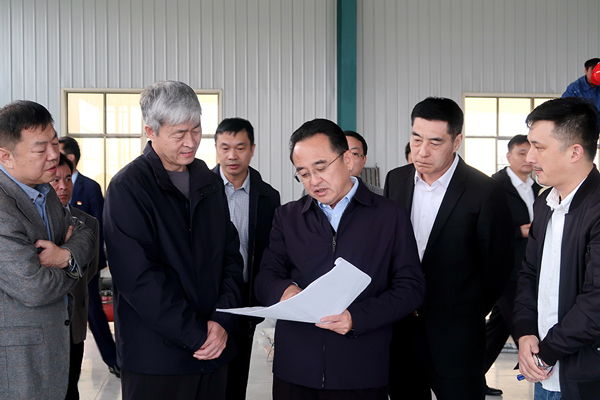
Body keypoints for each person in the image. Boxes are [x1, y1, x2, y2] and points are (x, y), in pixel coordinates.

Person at [254, 118, 426, 400]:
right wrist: (285, 292)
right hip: (295, 370)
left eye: (321, 168)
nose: (314, 181)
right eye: (304, 174)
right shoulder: (288, 217)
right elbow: (265, 277)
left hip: (361, 369)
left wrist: (356, 318)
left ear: (347, 159)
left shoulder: (389, 216)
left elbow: (411, 288)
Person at [103, 80, 244, 400]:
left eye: (196, 129)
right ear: (150, 131)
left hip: (214, 351)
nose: (191, 142)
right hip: (157, 359)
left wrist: (223, 320)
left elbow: (230, 256)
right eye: (179, 133)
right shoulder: (129, 188)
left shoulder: (208, 181)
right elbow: (138, 279)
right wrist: (196, 334)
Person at [384, 97, 514, 400]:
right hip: (400, 329)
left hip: (456, 335)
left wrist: (465, 310)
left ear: (456, 141)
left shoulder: (484, 191)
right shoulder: (396, 180)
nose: (422, 151)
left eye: (435, 142)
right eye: (416, 139)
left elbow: (497, 267)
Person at [0, 100, 94, 399]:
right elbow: (34, 288)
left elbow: (85, 233)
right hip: (18, 365)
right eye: (41, 149)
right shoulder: (3, 207)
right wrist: (74, 268)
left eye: (55, 143)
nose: (55, 155)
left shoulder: (44, 190)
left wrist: (64, 255)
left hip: (57, 348)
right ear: (6, 156)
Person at [513, 97, 600, 400]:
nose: (530, 158)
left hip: (584, 376)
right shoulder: (545, 203)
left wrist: (547, 352)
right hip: (544, 375)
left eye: (539, 147)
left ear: (575, 152)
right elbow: (529, 273)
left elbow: (596, 300)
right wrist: (525, 331)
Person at [212, 117, 281, 400]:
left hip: (245, 296)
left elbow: (270, 251)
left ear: (252, 149)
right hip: (209, 294)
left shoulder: (268, 197)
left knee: (237, 375)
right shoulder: (200, 190)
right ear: (216, 149)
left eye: (240, 148)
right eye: (225, 147)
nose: (232, 155)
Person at [483, 135, 542, 396]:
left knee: (498, 327)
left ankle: (472, 376)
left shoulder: (539, 186)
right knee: (521, 322)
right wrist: (519, 231)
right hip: (505, 268)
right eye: (521, 153)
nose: (528, 158)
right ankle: (538, 368)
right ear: (508, 157)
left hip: (529, 266)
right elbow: (485, 228)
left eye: (531, 151)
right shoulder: (495, 186)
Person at [59, 136, 120, 377]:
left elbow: (101, 225)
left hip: (88, 264)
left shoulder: (89, 187)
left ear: (71, 158)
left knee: (92, 310)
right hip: (61, 270)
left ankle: (113, 358)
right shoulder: (46, 191)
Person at [50, 153, 99, 400]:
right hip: (45, 322)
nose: (63, 186)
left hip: (74, 321)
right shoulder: (36, 222)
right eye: (55, 180)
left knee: (71, 389)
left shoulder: (88, 222)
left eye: (68, 179)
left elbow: (91, 269)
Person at [344, 130, 384, 195]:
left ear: (363, 160)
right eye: (341, 153)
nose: (347, 159)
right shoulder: (325, 195)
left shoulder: (381, 196)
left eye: (354, 154)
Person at [562, 58, 600, 124]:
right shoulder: (575, 88)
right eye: (592, 69)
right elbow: (565, 106)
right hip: (583, 124)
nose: (595, 73)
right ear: (586, 70)